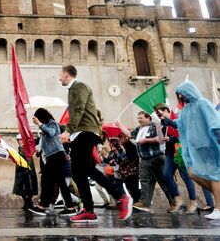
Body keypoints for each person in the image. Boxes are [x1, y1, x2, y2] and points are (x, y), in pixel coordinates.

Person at [58, 65, 132, 222]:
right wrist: (70, 132)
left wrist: (68, 131)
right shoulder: (72, 90)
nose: (59, 78)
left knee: (87, 168)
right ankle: (88, 210)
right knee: (78, 173)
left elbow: (79, 109)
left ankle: (120, 196)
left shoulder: (80, 86)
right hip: (80, 133)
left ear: (66, 74)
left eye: (60, 75)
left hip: (86, 132)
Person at [174, 81, 220, 220]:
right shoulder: (186, 110)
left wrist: (218, 135)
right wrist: (165, 121)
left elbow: (214, 120)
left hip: (209, 147)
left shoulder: (203, 103)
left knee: (214, 175)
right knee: (192, 173)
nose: (181, 96)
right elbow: (179, 124)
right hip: (196, 150)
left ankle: (218, 209)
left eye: (182, 93)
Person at [116, 112, 175, 212]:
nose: (139, 120)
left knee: (163, 182)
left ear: (148, 118)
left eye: (141, 118)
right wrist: (120, 125)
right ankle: (144, 203)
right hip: (144, 160)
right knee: (144, 181)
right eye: (138, 118)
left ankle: (174, 202)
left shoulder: (156, 126)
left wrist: (146, 141)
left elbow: (160, 139)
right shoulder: (139, 129)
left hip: (157, 158)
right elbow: (130, 135)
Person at [31, 108, 77, 217]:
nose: (35, 120)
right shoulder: (46, 126)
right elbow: (42, 140)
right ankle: (69, 207)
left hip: (56, 156)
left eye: (37, 118)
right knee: (57, 182)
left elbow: (51, 133)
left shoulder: (53, 124)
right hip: (53, 157)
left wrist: (39, 124)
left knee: (48, 181)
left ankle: (43, 206)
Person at [155, 103, 199, 213]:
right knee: (166, 175)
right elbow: (162, 139)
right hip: (170, 153)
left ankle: (193, 202)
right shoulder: (162, 123)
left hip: (181, 152)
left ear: (166, 110)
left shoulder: (177, 119)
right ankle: (178, 200)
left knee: (186, 177)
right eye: (156, 113)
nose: (157, 114)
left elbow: (181, 135)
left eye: (159, 112)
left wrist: (170, 139)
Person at [13, 134, 39, 213]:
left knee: (28, 188)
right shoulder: (20, 147)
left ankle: (29, 203)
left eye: (20, 139)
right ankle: (26, 203)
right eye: (18, 140)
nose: (19, 141)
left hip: (26, 170)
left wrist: (28, 169)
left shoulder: (25, 147)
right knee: (21, 188)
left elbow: (27, 158)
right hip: (21, 170)